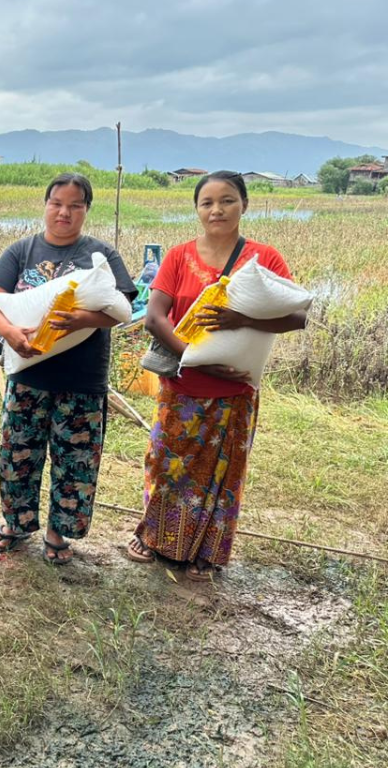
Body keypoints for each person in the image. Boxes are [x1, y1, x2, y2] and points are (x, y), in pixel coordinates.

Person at [126, 171, 305, 580]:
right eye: (207, 202)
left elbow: (296, 316)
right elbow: (154, 319)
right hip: (184, 381)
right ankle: (154, 535)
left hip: (237, 388)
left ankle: (207, 553)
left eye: (226, 200)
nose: (217, 210)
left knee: (222, 473)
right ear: (196, 210)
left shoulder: (264, 260)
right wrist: (196, 359)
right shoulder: (178, 256)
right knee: (167, 464)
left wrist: (241, 318)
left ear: (244, 204)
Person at [0, 173, 136, 564]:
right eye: (57, 203)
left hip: (82, 378)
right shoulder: (22, 250)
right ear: (45, 204)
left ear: (86, 209)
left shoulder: (100, 255)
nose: (64, 212)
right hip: (28, 373)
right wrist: (9, 334)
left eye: (75, 205)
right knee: (18, 454)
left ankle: (58, 533)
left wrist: (82, 318)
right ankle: (16, 524)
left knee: (76, 460)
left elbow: (121, 309)